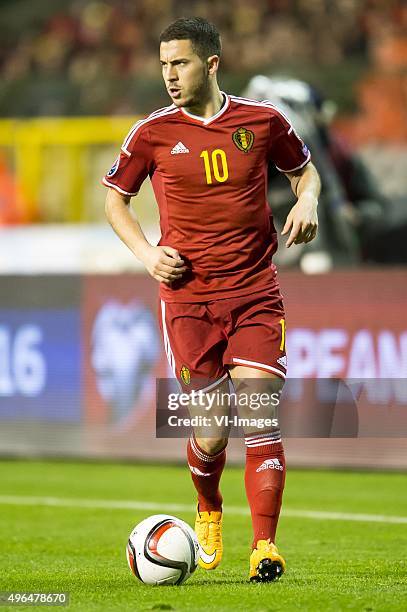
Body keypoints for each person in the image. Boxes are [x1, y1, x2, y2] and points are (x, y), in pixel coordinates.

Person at [103, 17, 320, 582]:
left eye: (180, 63)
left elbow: (306, 172)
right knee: (211, 429)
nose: (170, 76)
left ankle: (265, 547)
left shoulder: (262, 121)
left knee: (260, 416)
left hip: (254, 292)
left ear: (211, 63)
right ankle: (209, 506)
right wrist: (148, 255)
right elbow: (114, 202)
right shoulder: (150, 132)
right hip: (187, 300)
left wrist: (308, 202)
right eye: (164, 65)